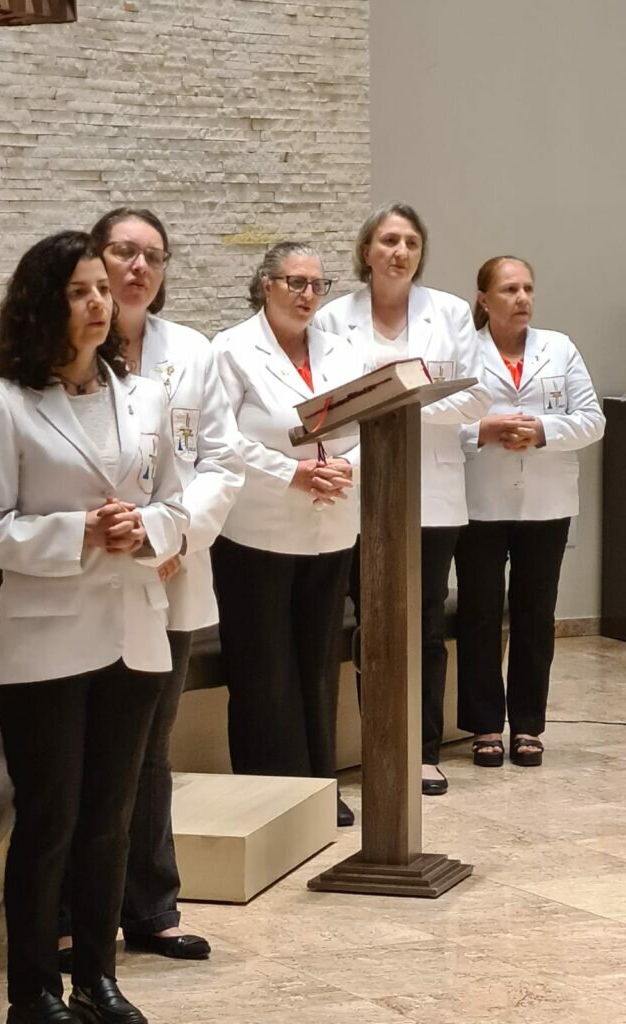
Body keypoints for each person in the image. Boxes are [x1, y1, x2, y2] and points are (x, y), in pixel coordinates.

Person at [0, 231, 188, 1024]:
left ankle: (97, 980)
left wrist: (147, 529)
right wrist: (76, 533)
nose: (98, 303)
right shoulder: (3, 404)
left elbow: (180, 504)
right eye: (79, 291)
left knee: (109, 822)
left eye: (101, 290)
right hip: (45, 645)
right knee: (50, 821)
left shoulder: (145, 398)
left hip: (133, 634)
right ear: (41, 305)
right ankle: (33, 993)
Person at [54, 207, 241, 963]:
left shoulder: (192, 352)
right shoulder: (55, 356)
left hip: (172, 572)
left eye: (153, 257)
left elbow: (221, 463)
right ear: (95, 262)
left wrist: (170, 537)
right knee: (81, 750)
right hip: (86, 576)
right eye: (124, 252)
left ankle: (152, 908)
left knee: (151, 749)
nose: (138, 268)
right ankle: (68, 914)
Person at [315, 202, 491, 795]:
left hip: (432, 494)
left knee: (424, 624)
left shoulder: (449, 313)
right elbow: (328, 403)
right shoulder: (333, 318)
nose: (400, 252)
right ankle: (381, 746)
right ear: (366, 250)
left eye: (411, 242)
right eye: (389, 240)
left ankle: (423, 750)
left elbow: (475, 397)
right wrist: (402, 405)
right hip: (359, 492)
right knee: (372, 625)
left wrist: (398, 408)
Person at [211, 241, 365, 827]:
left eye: (317, 285)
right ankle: (271, 798)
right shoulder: (231, 349)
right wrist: (291, 473)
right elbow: (221, 438)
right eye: (295, 282)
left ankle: (319, 788)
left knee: (318, 667)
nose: (307, 295)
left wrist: (344, 468)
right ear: (266, 284)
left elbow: (372, 421)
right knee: (264, 671)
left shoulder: (341, 350)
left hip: (331, 525)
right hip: (257, 531)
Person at [455, 256, 605, 767]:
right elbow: (438, 424)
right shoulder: (462, 352)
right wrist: (484, 430)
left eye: (528, 289)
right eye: (509, 289)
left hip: (546, 502)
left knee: (535, 615)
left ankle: (527, 725)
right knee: (479, 613)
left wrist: (542, 431)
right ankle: (483, 725)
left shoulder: (559, 348)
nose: (522, 298)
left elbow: (592, 420)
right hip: (478, 500)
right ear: (484, 299)